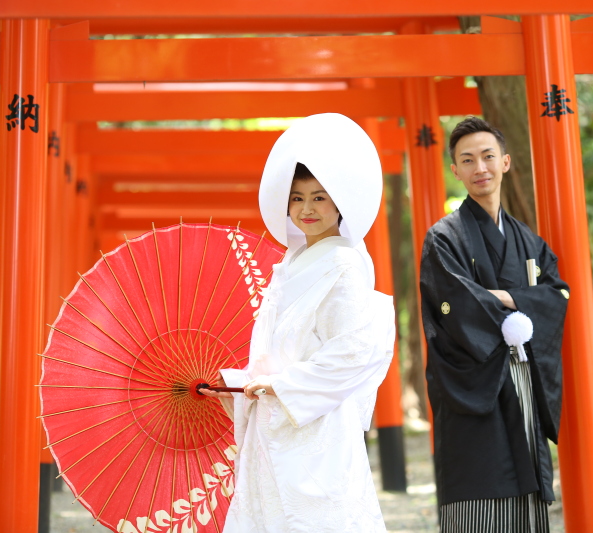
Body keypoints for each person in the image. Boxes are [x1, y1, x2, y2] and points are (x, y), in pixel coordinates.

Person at [200, 113, 394, 532]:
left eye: (320, 197)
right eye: (298, 198)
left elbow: (355, 351)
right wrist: (236, 384)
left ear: (340, 201)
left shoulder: (343, 264)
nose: (307, 209)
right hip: (274, 425)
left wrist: (284, 386)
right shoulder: (290, 262)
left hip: (318, 430)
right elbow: (280, 351)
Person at [419, 116, 570, 533]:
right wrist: (519, 301)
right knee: (483, 483)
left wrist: (505, 298)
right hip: (475, 378)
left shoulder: (527, 239)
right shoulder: (444, 238)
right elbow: (455, 302)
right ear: (456, 171)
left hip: (521, 374)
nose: (479, 167)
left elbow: (557, 294)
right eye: (467, 160)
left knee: (526, 482)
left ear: (505, 162)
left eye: (487, 157)